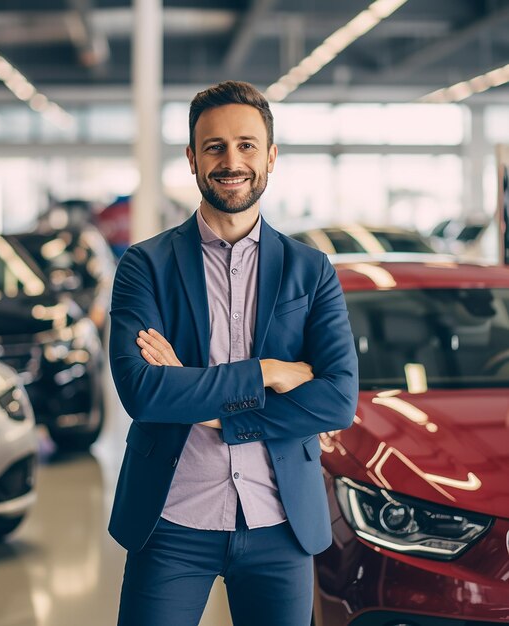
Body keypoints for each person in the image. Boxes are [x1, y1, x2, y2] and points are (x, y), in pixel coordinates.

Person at [108, 80, 358, 626]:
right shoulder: (145, 266)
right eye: (215, 146)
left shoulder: (310, 271)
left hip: (280, 522)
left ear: (270, 157)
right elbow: (143, 392)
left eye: (247, 145)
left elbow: (338, 400)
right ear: (192, 159)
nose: (231, 160)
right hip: (171, 521)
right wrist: (269, 372)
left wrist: (211, 407)